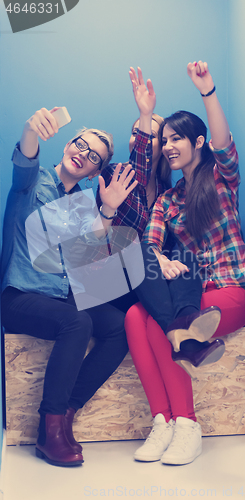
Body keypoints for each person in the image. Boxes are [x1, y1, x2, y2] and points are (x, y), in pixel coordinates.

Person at [125, 60, 245, 465]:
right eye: (163, 140)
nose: (167, 146)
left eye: (176, 138)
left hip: (231, 290)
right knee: (135, 313)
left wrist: (207, 91)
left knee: (161, 318)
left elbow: (223, 143)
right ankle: (162, 421)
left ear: (196, 141)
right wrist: (161, 259)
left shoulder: (221, 176)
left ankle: (187, 425)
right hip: (192, 292)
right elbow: (148, 243)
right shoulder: (167, 201)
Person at [0, 107, 139, 467]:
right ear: (67, 145)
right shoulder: (33, 184)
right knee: (78, 323)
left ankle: (66, 413)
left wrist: (107, 211)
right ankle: (48, 433)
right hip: (20, 297)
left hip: (62, 295)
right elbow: (26, 157)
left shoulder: (83, 205)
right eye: (80, 144)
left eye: (94, 156)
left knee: (118, 326)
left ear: (95, 171)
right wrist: (31, 128)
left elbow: (90, 264)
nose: (83, 153)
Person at [96, 67, 173, 312]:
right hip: (108, 280)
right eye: (135, 133)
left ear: (163, 147)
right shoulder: (115, 174)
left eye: (151, 136)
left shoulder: (165, 191)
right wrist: (145, 113)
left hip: (145, 283)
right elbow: (139, 169)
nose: (138, 139)